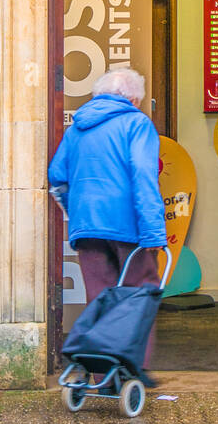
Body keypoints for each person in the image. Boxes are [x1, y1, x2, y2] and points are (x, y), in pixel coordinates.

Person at [48, 66, 167, 384]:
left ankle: (102, 373)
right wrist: (154, 231)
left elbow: (57, 178)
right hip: (129, 227)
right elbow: (143, 175)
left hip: (87, 227)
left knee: (100, 294)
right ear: (133, 98)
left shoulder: (77, 128)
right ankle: (133, 368)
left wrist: (79, 212)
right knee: (140, 293)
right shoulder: (136, 123)